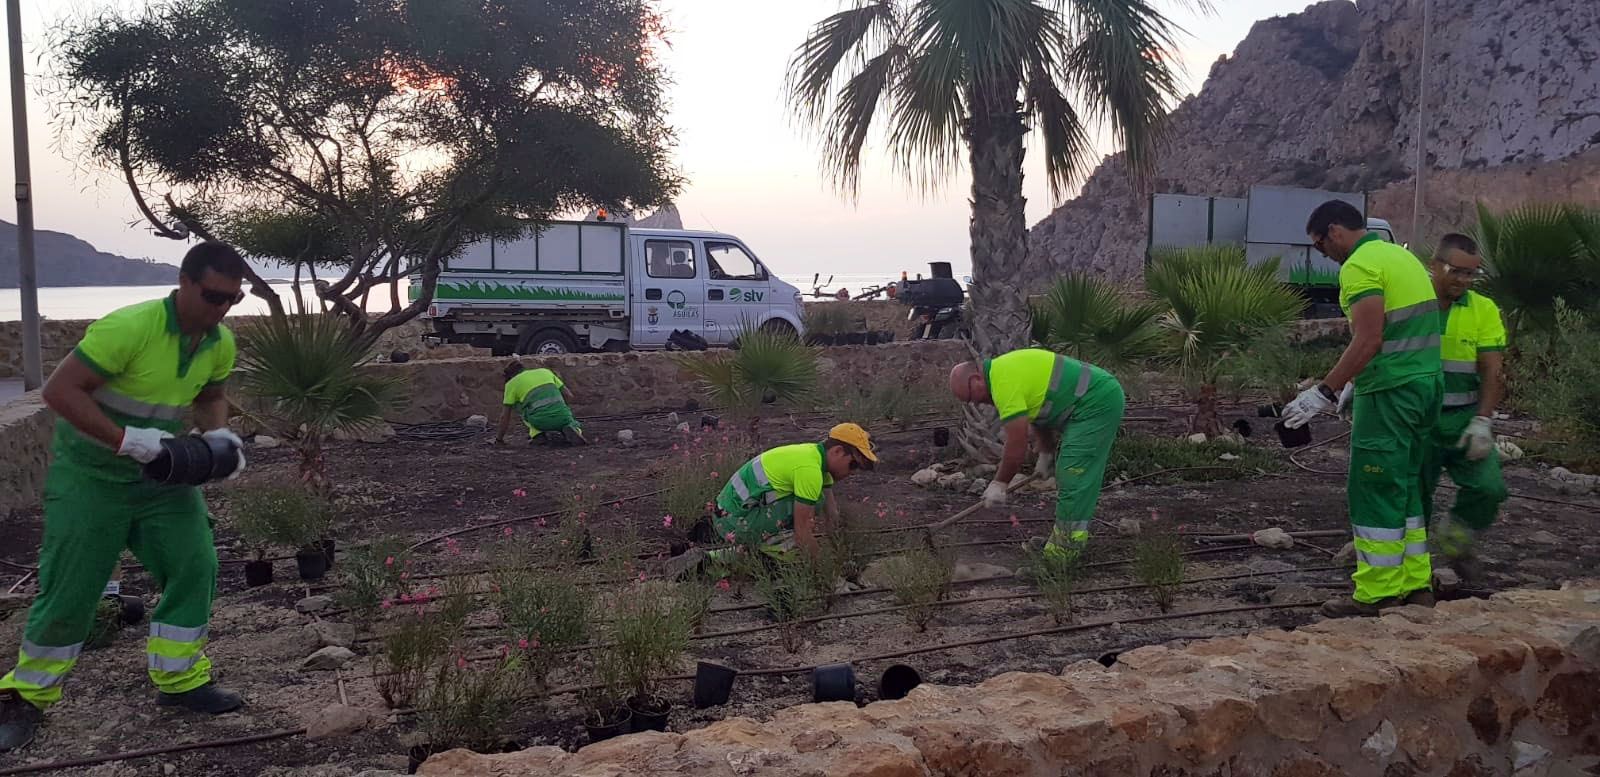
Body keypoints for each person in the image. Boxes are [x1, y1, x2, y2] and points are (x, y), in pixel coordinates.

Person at [0, 242, 250, 753]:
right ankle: (26, 696)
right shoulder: (129, 328)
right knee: (72, 588)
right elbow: (59, 391)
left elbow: (209, 397)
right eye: (211, 296)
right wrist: (126, 441)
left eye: (233, 299)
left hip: (160, 481)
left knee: (195, 564)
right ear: (183, 284)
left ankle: (179, 680)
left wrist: (220, 439)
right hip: (92, 477)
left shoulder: (218, 342)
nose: (220, 308)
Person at [1282, 200, 1442, 618]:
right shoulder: (1402, 258)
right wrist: (1355, 380)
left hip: (1391, 392)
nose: (1324, 255)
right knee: (1407, 487)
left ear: (1334, 231)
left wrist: (1326, 391)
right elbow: (1399, 332)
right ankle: (1416, 585)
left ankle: (1377, 594)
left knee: (1373, 490)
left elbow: (1368, 339)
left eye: (1320, 245)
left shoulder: (1360, 266)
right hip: (1425, 385)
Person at [948, 349, 1126, 561]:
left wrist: (1000, 483)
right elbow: (1040, 409)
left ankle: (1063, 553)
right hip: (1090, 401)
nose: (976, 403)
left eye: (971, 397)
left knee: (1073, 474)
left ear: (976, 379)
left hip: (1097, 403)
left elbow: (1017, 442)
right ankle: (1062, 543)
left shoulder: (1002, 382)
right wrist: (1046, 451)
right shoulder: (1004, 371)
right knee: (1070, 473)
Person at [1419, 234, 1507, 580]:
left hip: (1463, 421)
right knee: (1415, 498)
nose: (1464, 281)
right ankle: (1411, 569)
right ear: (1434, 266)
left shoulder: (1482, 310)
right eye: (1457, 271)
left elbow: (1493, 371)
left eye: (1472, 274)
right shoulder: (1413, 303)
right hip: (1418, 420)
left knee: (1489, 488)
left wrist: (1482, 421)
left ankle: (1455, 540)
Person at [712, 423, 877, 562]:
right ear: (837, 451)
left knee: (817, 499)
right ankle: (768, 548)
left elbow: (832, 515)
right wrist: (821, 570)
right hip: (731, 524)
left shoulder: (814, 456)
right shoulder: (809, 470)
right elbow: (803, 531)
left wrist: (841, 551)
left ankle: (769, 545)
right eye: (853, 465)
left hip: (728, 515)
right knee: (814, 501)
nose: (852, 472)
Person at [494, 361, 585, 446]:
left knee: (520, 406)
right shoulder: (545, 372)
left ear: (510, 376)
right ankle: (574, 429)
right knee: (569, 419)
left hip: (539, 421)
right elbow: (569, 396)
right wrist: (561, 409)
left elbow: (505, 417)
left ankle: (537, 434)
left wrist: (499, 439)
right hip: (563, 416)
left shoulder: (511, 384)